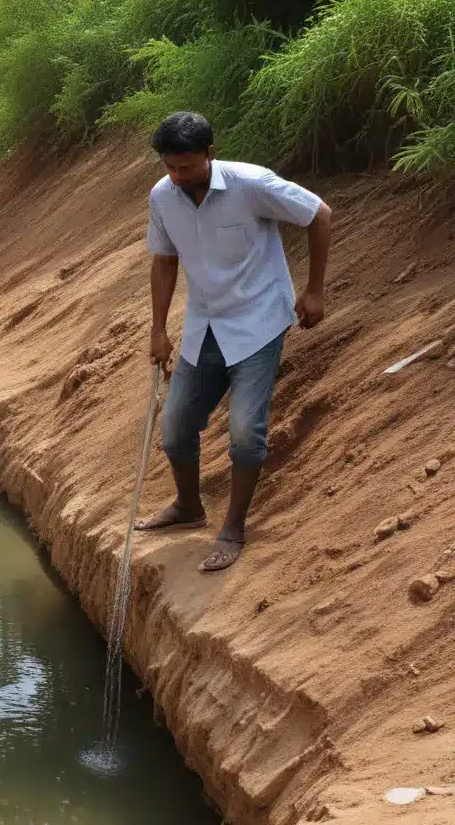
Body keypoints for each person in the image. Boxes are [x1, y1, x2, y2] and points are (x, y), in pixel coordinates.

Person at [135, 111, 332, 572]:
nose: (178, 177)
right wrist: (158, 328)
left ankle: (233, 529)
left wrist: (316, 289)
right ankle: (188, 507)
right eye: (170, 167)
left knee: (245, 433)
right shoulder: (163, 197)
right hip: (204, 323)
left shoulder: (251, 184)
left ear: (210, 153)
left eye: (187, 166)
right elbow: (164, 262)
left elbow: (319, 214)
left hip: (259, 321)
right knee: (176, 426)